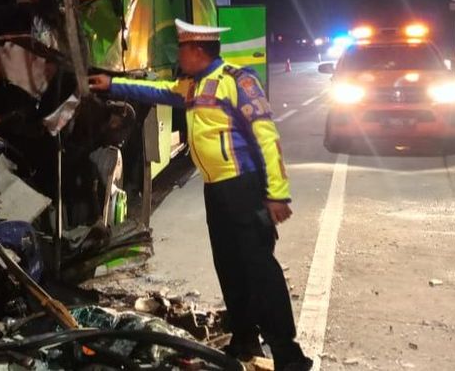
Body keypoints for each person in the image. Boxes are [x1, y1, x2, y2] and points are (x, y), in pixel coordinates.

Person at [88, 19, 312, 370]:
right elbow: (158, 91)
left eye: (182, 49)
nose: (179, 55)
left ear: (197, 50)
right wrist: (113, 85)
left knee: (260, 272)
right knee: (229, 267)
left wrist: (277, 194)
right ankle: (244, 341)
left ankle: (289, 355)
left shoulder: (238, 81)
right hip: (216, 191)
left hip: (244, 187)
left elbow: (267, 136)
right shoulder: (192, 85)